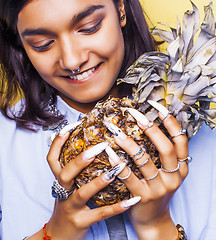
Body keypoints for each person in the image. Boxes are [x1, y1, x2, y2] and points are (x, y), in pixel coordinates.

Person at [0, 0, 215, 239]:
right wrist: (56, 233)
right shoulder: (3, 141)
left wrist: (156, 227)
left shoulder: (207, 143)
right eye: (43, 44)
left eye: (89, 27)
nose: (72, 61)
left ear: (120, 9)